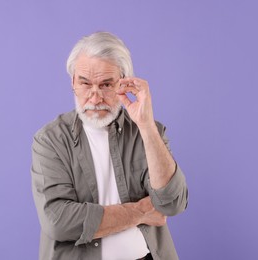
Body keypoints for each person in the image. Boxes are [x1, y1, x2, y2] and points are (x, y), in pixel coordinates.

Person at [31, 31, 188, 260]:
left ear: (124, 83)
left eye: (106, 85)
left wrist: (145, 125)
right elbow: (58, 221)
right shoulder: (50, 140)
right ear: (73, 82)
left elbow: (172, 203)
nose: (95, 99)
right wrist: (141, 211)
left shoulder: (146, 132)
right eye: (85, 83)